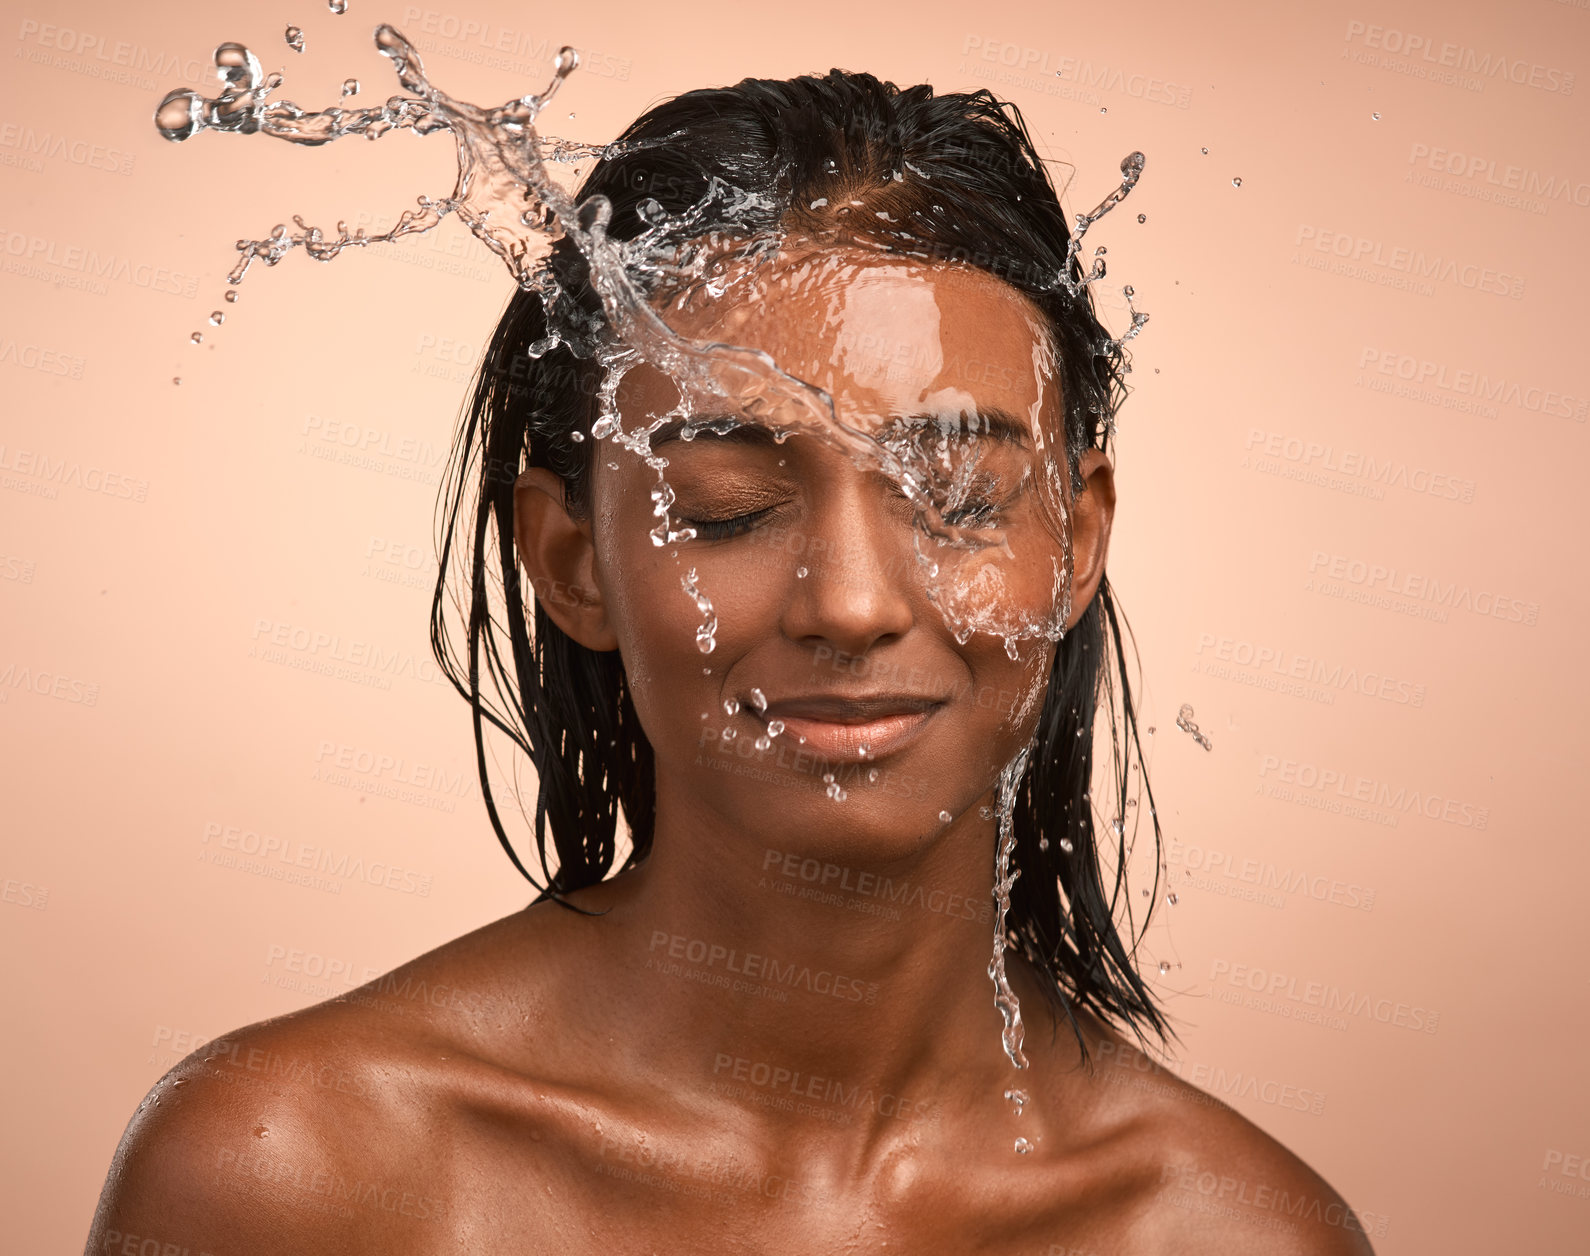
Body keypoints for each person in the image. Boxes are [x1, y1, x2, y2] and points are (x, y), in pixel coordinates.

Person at [86, 70, 1374, 1253]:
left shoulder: (1229, 1234)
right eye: (722, 508)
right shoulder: (299, 1176)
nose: (855, 605)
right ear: (572, 559)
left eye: (960, 499)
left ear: (1077, 541)